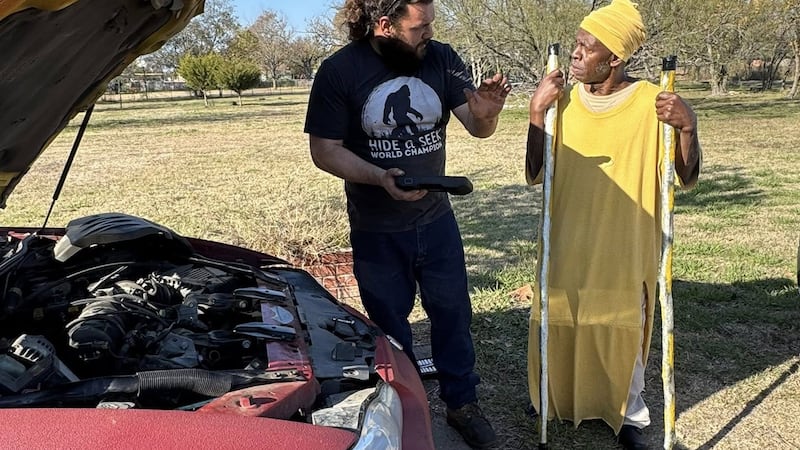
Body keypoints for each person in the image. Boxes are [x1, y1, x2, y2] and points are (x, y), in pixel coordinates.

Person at [304, 1, 511, 448]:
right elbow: (324, 150)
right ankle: (403, 409)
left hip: (436, 220)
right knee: (389, 328)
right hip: (376, 228)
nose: (430, 33)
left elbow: (478, 126)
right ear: (385, 26)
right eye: (420, 27)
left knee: (453, 314)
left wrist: (488, 112)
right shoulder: (340, 71)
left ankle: (462, 404)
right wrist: (380, 177)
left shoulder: (440, 58)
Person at [524, 1, 701, 449]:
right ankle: (554, 396)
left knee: (621, 324)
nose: (576, 54)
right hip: (567, 235)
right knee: (562, 314)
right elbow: (536, 171)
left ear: (615, 57)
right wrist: (536, 114)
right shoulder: (562, 102)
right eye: (576, 44)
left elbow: (684, 175)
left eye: (588, 47)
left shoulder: (652, 104)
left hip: (625, 240)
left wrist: (687, 128)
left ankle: (627, 413)